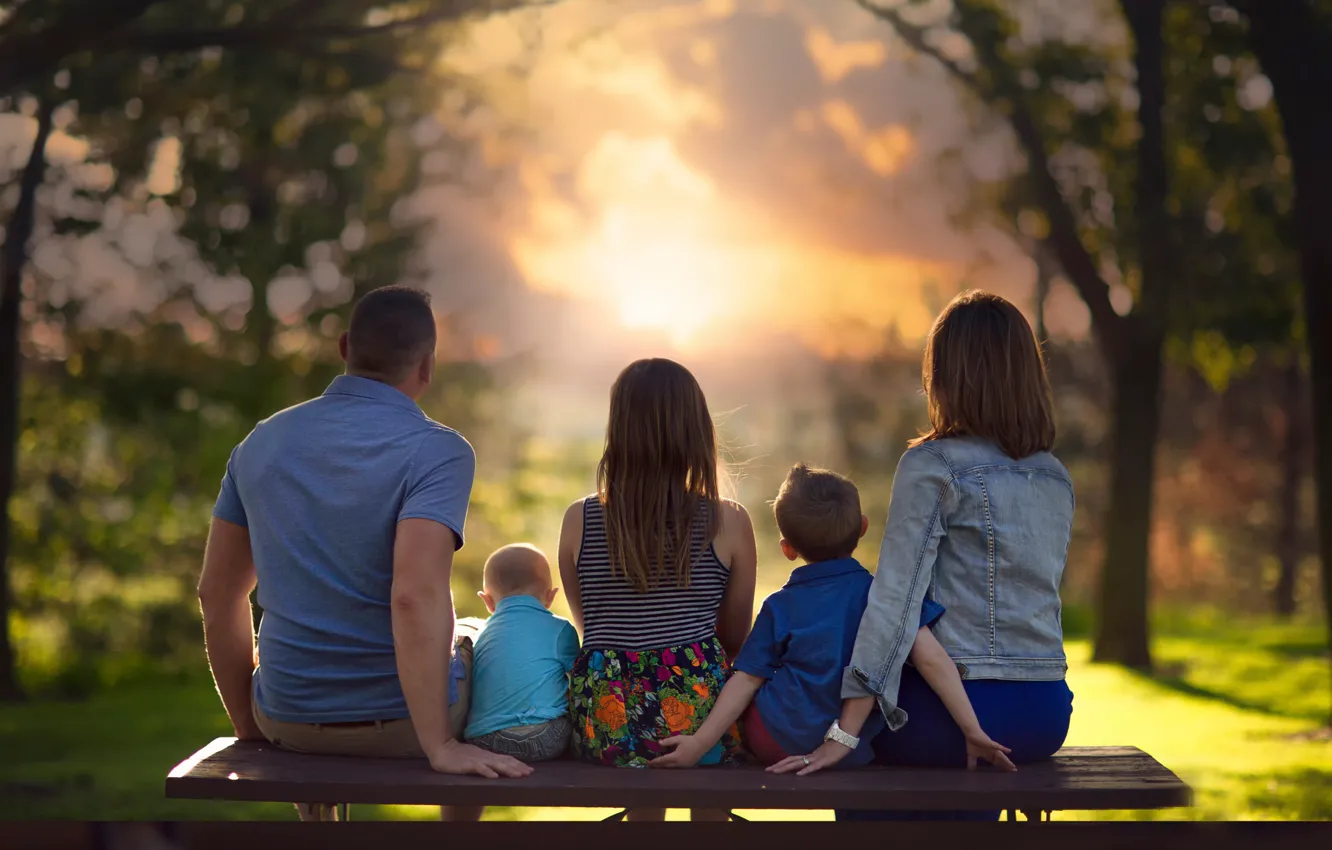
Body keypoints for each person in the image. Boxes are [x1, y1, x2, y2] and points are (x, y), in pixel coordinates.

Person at [197, 285, 531, 822]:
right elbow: (414, 596)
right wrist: (439, 746)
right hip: (403, 724)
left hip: (288, 717)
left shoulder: (260, 442)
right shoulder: (439, 450)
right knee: (476, 636)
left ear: (345, 346)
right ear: (427, 366)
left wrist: (250, 725)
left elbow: (217, 595)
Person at [771, 290, 1076, 822]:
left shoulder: (932, 464)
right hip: (1046, 714)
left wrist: (844, 734)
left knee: (862, 747)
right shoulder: (1054, 475)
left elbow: (894, 603)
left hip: (954, 716)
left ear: (947, 376)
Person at [649, 463, 1011, 779]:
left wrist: (699, 743)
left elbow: (746, 679)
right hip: (849, 748)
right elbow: (931, 658)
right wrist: (972, 729)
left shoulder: (781, 605)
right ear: (863, 527)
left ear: (787, 549)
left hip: (771, 739)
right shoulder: (885, 598)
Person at [557, 358, 757, 822]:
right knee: (709, 775)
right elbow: (733, 639)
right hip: (696, 712)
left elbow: (593, 629)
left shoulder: (578, 520)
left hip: (606, 717)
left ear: (619, 431)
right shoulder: (729, 520)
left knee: (645, 797)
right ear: (696, 430)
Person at [464, 544, 580, 762]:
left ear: (486, 600)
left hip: (486, 740)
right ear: (550, 596)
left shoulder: (482, 634)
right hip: (546, 738)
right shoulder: (560, 629)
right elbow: (581, 680)